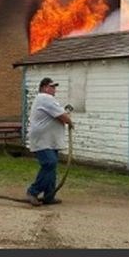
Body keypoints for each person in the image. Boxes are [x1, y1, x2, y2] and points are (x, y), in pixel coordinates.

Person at [26, 77, 74, 206]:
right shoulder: (44, 98)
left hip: (49, 140)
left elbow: (59, 115)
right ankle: (32, 192)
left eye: (54, 87)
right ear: (43, 88)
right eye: (51, 87)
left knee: (51, 167)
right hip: (42, 140)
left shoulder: (47, 100)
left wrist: (66, 118)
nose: (54, 90)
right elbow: (62, 116)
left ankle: (49, 196)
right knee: (49, 163)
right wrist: (69, 120)